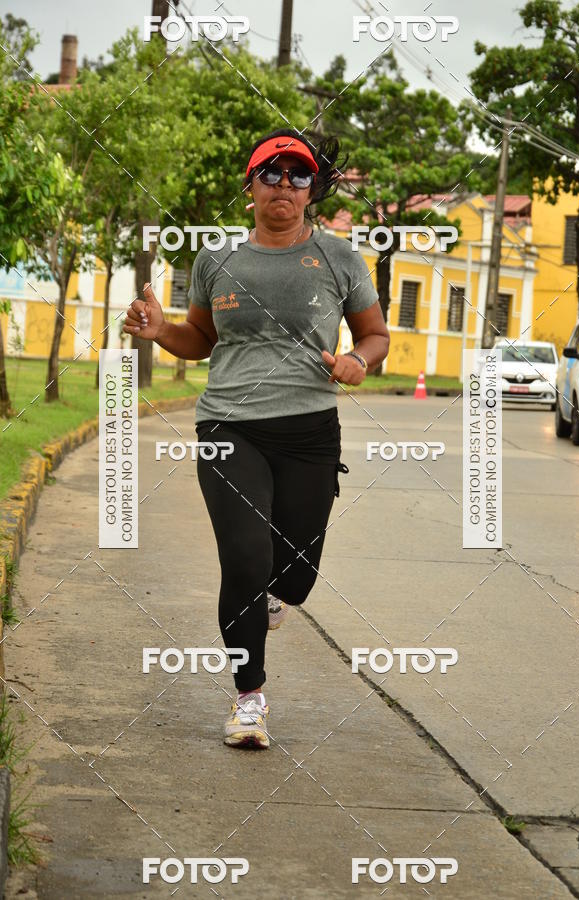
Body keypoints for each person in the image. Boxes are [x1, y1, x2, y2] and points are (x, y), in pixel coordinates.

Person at [124, 128, 390, 749]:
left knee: (292, 578)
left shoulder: (340, 259)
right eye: (271, 174)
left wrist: (360, 360)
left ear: (311, 190)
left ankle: (273, 595)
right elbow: (201, 339)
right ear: (251, 187)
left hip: (310, 434)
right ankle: (250, 698)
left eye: (298, 176)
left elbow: (376, 336)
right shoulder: (217, 259)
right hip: (227, 427)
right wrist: (162, 331)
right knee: (245, 559)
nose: (284, 186)